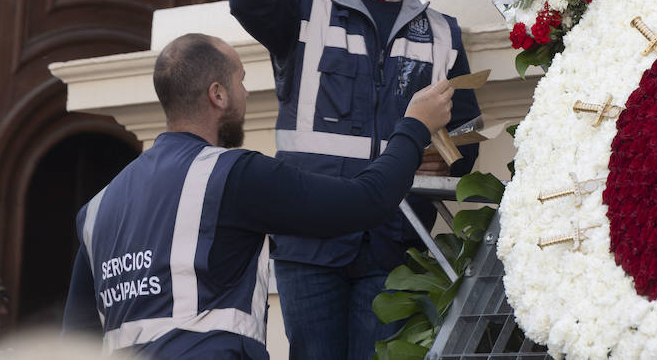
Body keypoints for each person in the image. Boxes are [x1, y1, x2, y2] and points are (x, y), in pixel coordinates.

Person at [62, 33, 454, 358]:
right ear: (218, 95)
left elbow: (74, 341)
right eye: (241, 81)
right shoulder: (231, 175)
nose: (246, 94)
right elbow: (366, 202)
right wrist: (414, 126)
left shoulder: (97, 209)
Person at [228, 0, 482, 360]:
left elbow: (467, 129)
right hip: (310, 238)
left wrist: (450, 157)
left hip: (396, 239)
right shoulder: (305, 7)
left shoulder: (442, 32)